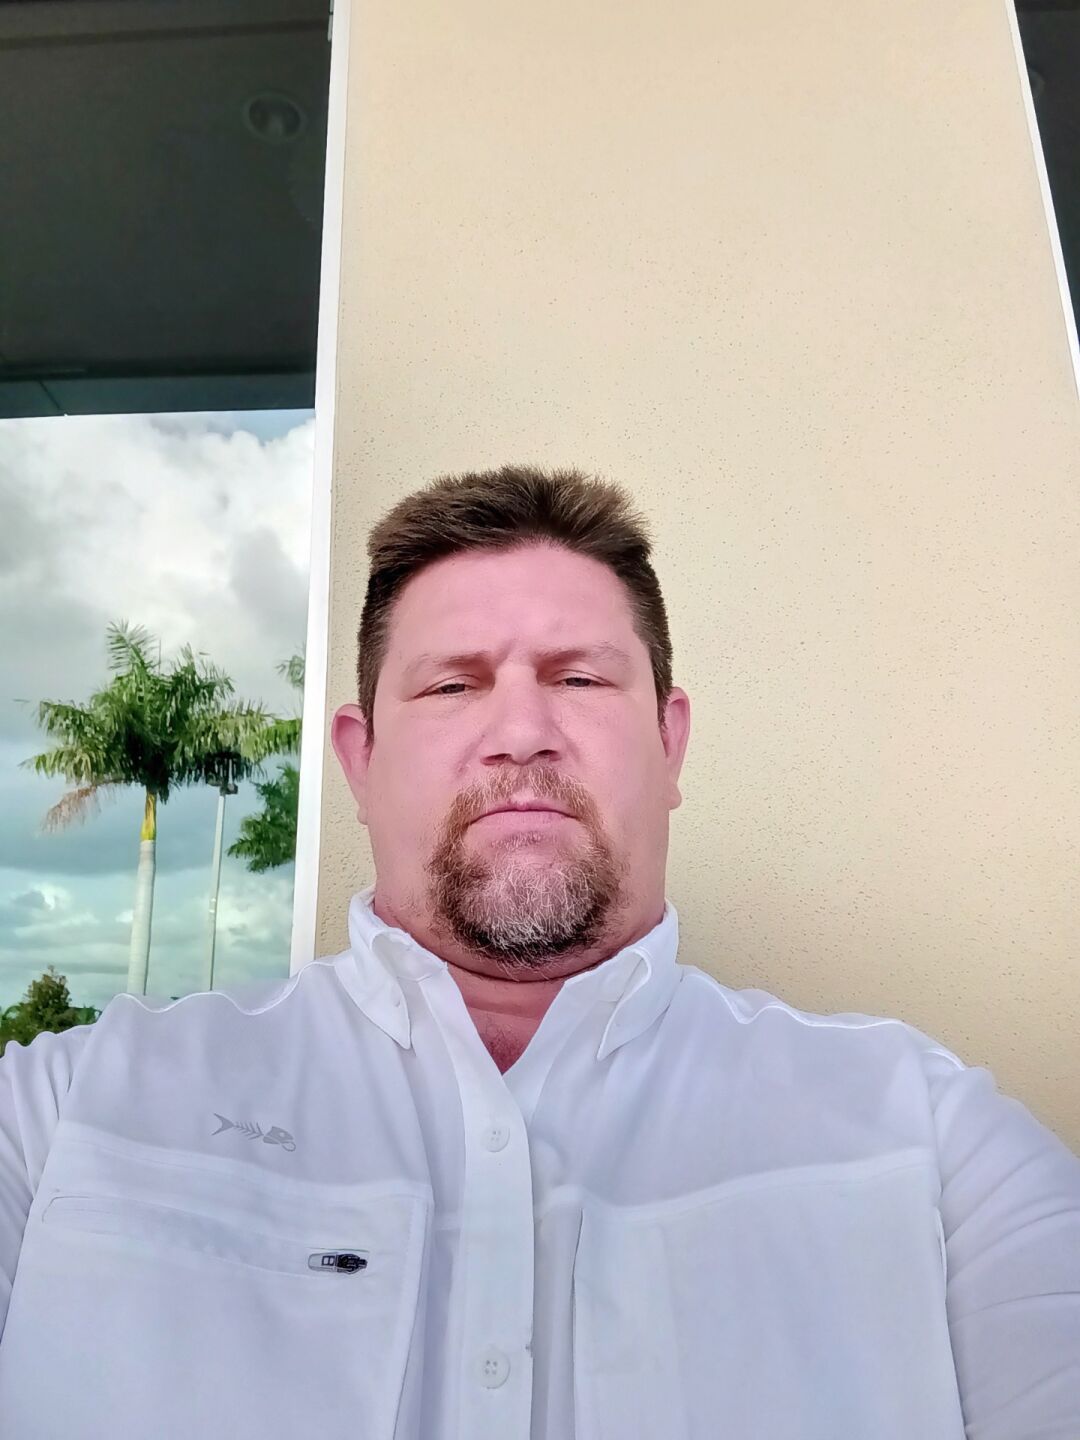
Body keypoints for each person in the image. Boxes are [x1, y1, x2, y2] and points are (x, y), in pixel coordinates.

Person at [0, 464, 1077, 1439]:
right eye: (453, 685)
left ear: (670, 742)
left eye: (579, 679)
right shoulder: (57, 1119)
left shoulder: (934, 1146)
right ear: (360, 763)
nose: (521, 733)